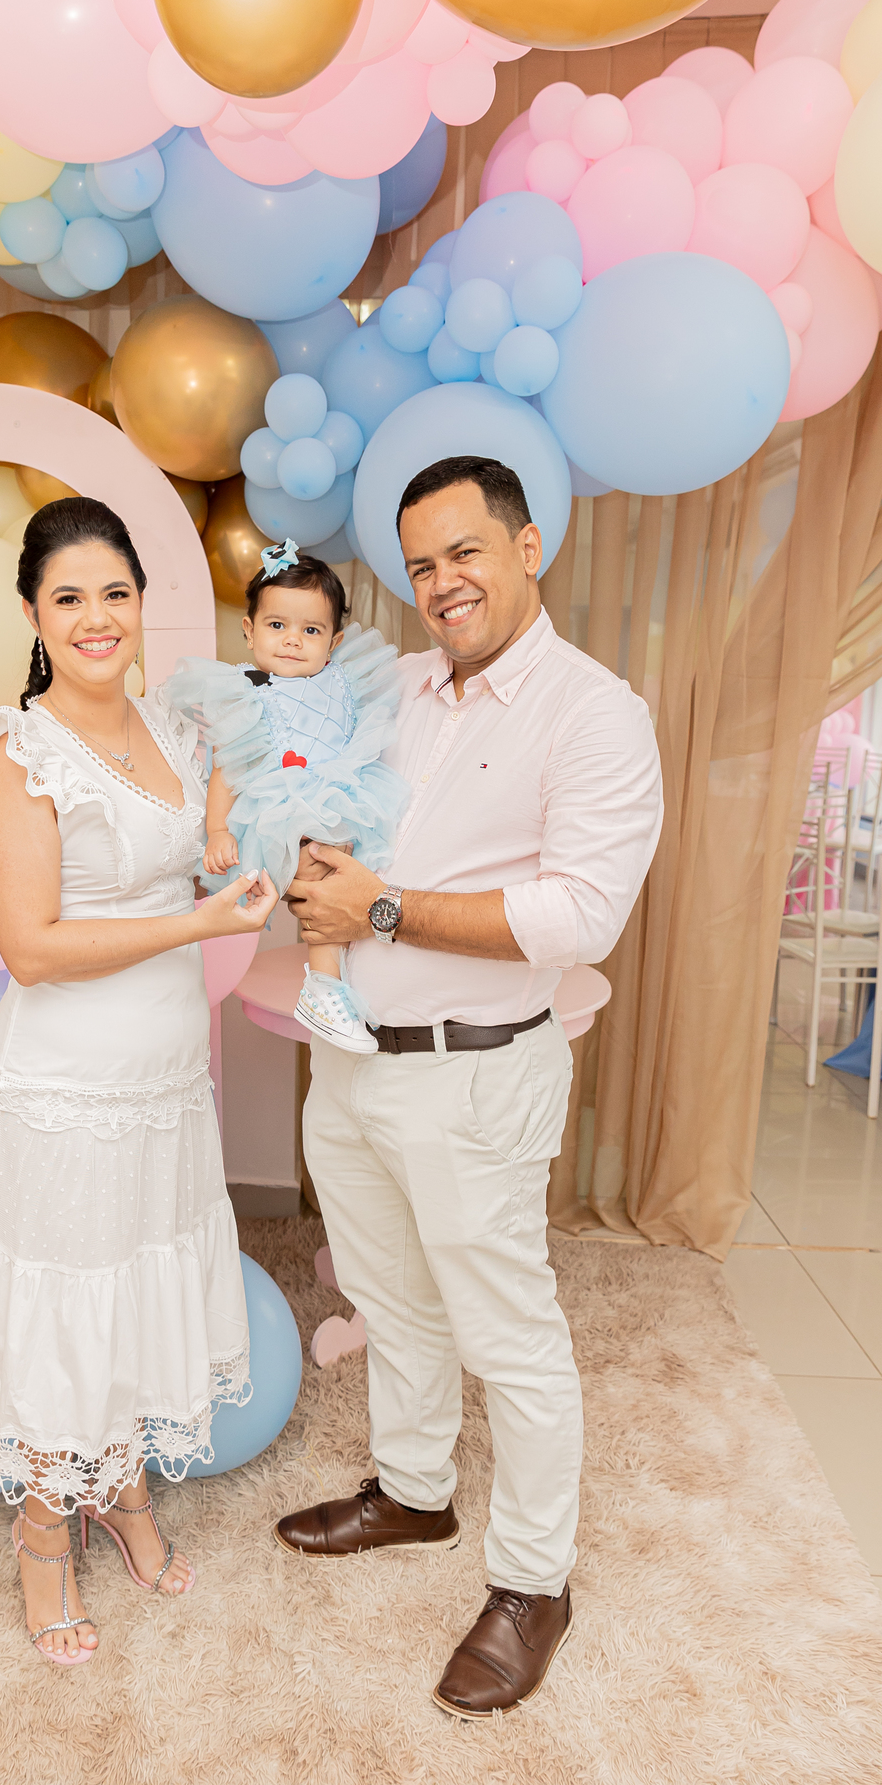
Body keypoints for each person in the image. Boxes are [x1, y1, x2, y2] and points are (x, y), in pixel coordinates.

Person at [278, 455, 663, 1719]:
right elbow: (315, 787)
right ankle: (415, 1492)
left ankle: (535, 1583)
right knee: (390, 1294)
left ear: (527, 547)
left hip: (479, 1071)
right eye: (420, 565)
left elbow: (579, 915)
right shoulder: (392, 686)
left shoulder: (595, 713)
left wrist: (379, 906)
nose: (442, 582)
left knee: (509, 1333)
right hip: (352, 1060)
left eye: (465, 552)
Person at [0, 496, 277, 1666]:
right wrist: (197, 926)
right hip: (64, 1090)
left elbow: (215, 839)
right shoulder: (18, 754)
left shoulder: (174, 726)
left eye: (115, 594)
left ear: (142, 605)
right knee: (70, 1295)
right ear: (34, 614)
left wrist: (247, 859)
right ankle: (42, 1531)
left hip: (166, 1076)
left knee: (138, 1278)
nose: (96, 617)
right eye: (69, 597)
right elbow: (29, 948)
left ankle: (121, 1490)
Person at [165, 538, 407, 1054]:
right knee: (320, 879)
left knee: (364, 882)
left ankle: (347, 978)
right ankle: (323, 987)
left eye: (310, 630)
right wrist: (218, 829)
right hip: (278, 810)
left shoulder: (345, 681)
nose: (293, 640)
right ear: (249, 630)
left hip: (341, 801)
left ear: (333, 642)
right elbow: (228, 768)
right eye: (277, 625)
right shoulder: (246, 692)